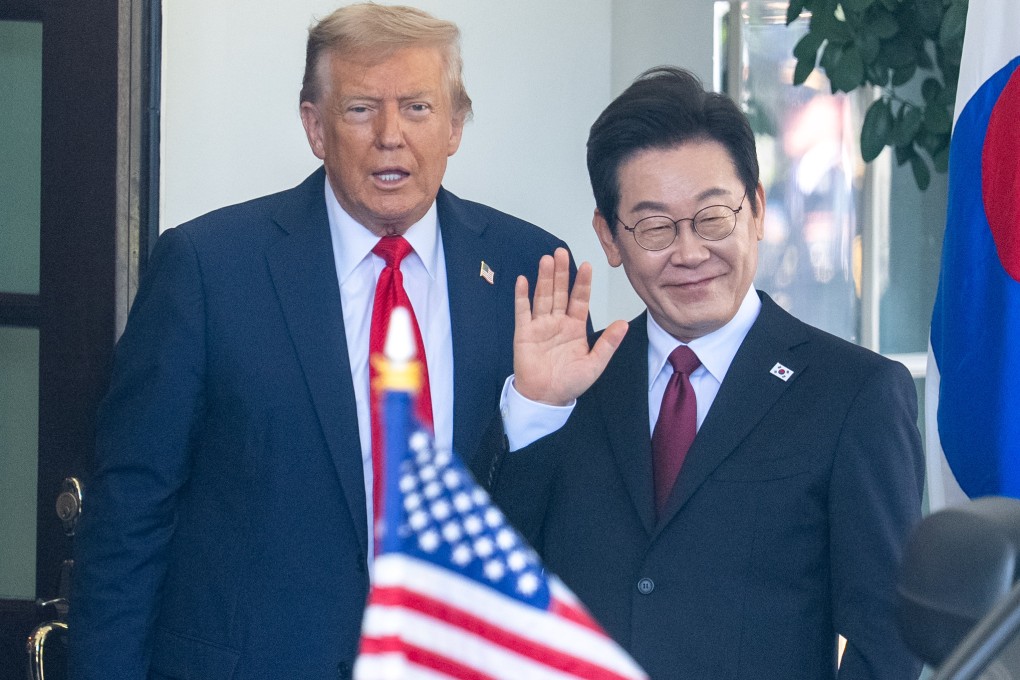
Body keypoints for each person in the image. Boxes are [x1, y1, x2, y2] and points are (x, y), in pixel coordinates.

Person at [68, 4, 571, 679]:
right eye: (361, 109)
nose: (390, 136)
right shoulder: (209, 269)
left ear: (455, 125)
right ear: (314, 126)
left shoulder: (528, 272)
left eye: (418, 108)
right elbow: (130, 513)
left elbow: (564, 512)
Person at [475, 67, 925, 679]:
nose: (690, 253)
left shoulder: (853, 394)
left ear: (756, 209)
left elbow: (888, 642)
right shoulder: (573, 382)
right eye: (655, 227)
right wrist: (536, 410)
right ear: (610, 239)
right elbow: (484, 591)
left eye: (713, 217)